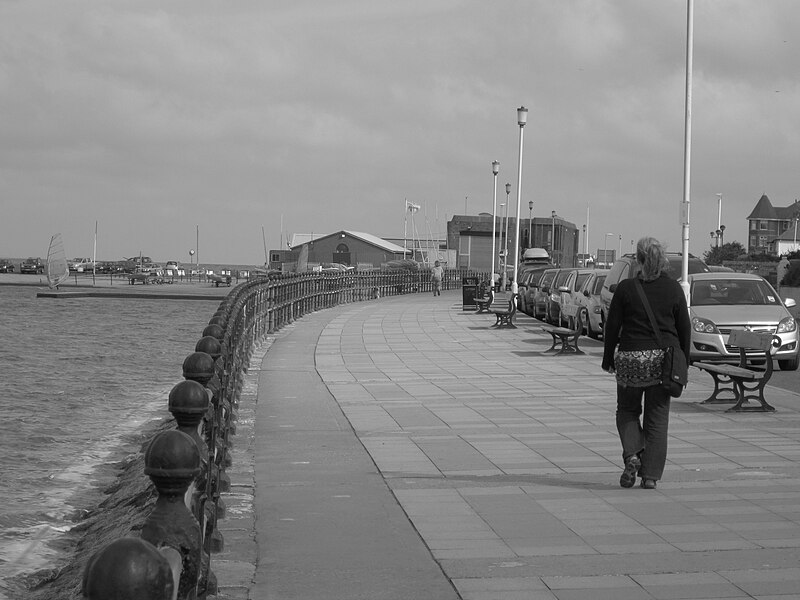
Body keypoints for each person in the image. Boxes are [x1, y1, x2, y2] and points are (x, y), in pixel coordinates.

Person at [602, 237, 691, 490]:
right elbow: (684, 328)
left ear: (638, 260)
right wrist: (684, 362)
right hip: (662, 362)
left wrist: (608, 359)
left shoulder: (626, 288)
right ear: (662, 260)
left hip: (631, 359)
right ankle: (650, 476)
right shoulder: (673, 288)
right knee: (657, 418)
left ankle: (632, 454)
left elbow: (613, 327)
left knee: (627, 411)